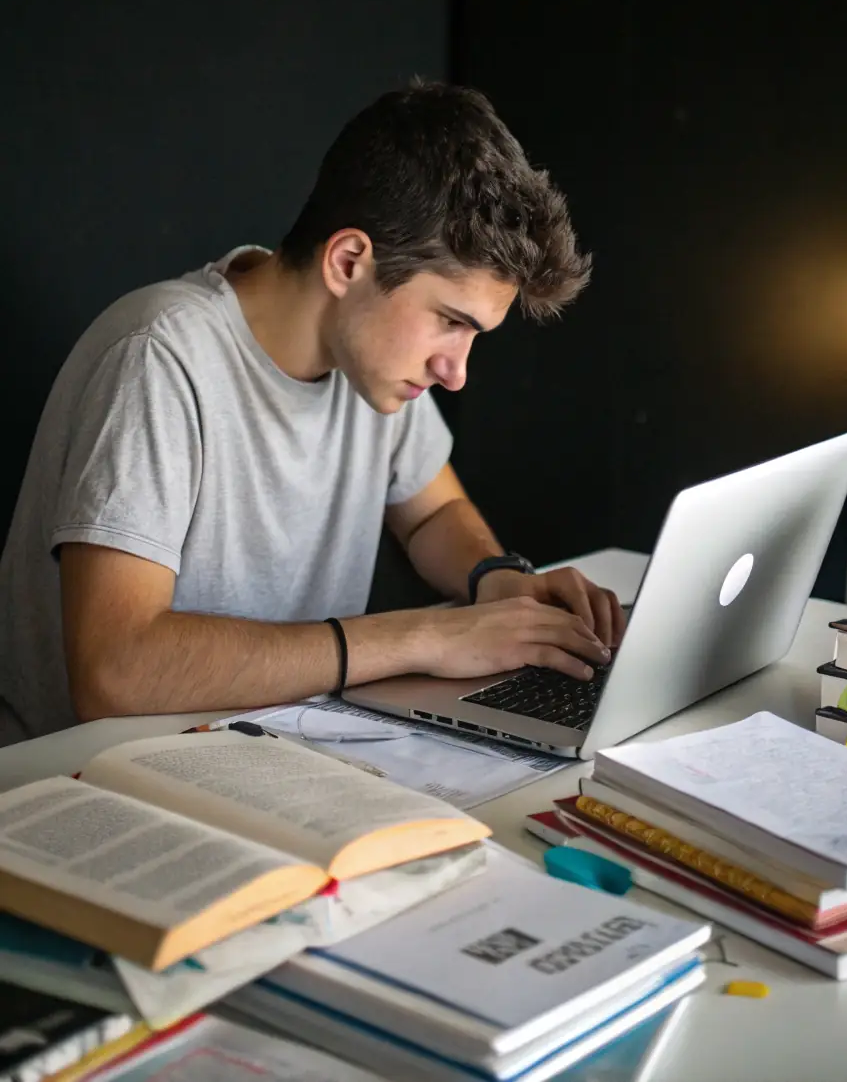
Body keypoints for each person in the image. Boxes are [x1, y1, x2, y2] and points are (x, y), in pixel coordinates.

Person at [0, 81, 625, 744]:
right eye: (449, 320)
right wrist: (423, 635)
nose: (457, 370)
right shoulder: (159, 356)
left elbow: (435, 513)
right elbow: (114, 670)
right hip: (76, 788)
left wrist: (494, 578)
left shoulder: (374, 363)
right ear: (349, 260)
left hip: (265, 759)